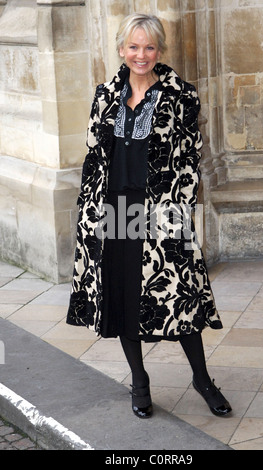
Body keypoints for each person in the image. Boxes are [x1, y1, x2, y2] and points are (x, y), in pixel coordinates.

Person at [67, 13, 232, 419]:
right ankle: (139, 383)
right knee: (123, 299)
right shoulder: (105, 95)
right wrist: (89, 213)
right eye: (134, 47)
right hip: (114, 213)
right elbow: (93, 154)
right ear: (122, 50)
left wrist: (177, 212)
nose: (141, 55)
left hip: (160, 213)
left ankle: (203, 380)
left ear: (159, 51)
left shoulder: (181, 96)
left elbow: (191, 159)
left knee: (180, 298)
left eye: (150, 47)